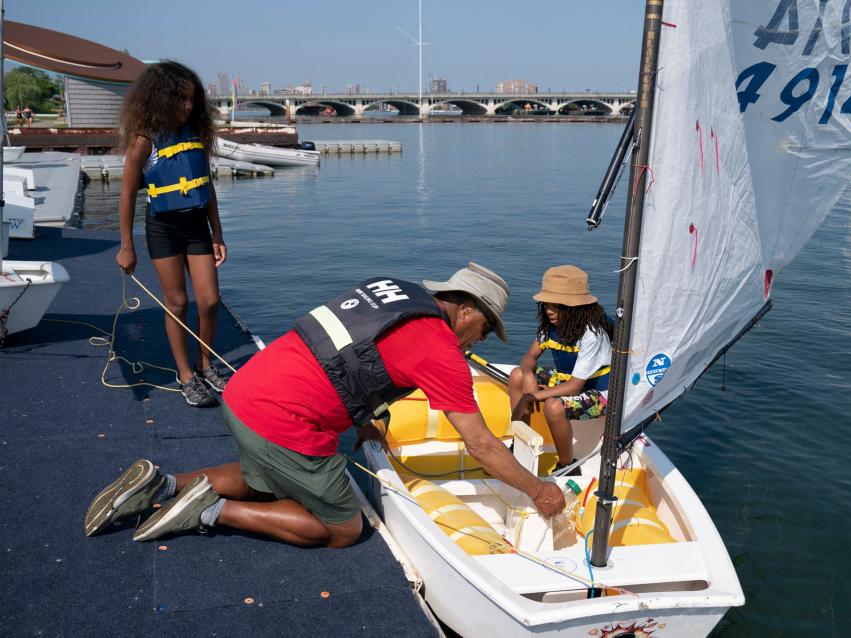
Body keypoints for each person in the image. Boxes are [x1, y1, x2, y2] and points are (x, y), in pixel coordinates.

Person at [84, 263, 566, 547]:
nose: (474, 343)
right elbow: (480, 444)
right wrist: (539, 490)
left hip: (248, 389)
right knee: (342, 527)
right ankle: (210, 512)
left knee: (268, 477)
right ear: (466, 310)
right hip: (283, 419)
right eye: (482, 331)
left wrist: (369, 417)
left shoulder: (393, 291)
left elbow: (353, 355)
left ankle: (162, 482)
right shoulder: (440, 349)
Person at [115, 61, 229, 407]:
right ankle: (186, 376)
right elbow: (126, 194)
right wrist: (126, 247)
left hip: (196, 226)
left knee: (209, 301)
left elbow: (205, 185)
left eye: (192, 100)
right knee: (177, 303)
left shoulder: (195, 134)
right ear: (160, 100)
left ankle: (205, 363)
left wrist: (217, 233)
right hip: (163, 228)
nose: (188, 107)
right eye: (180, 101)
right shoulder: (143, 141)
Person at [509, 265, 613, 475]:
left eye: (557, 306)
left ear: (575, 307)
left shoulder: (591, 334)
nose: (549, 310)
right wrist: (528, 376)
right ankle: (520, 444)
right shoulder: (550, 328)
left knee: (553, 407)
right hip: (569, 381)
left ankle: (567, 466)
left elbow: (575, 387)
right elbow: (530, 357)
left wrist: (532, 396)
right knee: (517, 375)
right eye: (546, 304)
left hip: (598, 392)